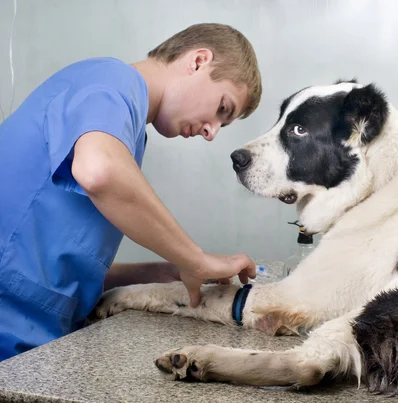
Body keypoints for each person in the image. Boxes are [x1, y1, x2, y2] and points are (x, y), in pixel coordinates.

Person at [0, 23, 261, 361]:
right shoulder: (110, 81)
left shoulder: (124, 128)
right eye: (222, 109)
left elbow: (44, 256)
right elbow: (99, 172)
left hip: (32, 340)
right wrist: (194, 259)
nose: (212, 132)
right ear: (199, 61)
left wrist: (149, 274)